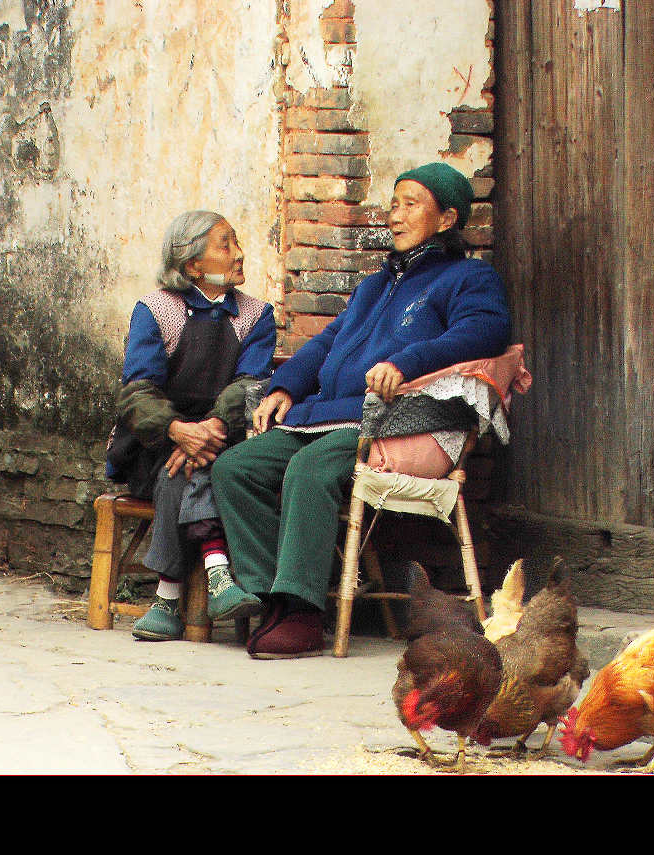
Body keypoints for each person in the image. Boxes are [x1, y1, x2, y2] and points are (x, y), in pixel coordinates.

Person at [211, 162, 511, 659]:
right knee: (237, 467)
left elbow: (484, 332)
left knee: (311, 469)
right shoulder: (376, 284)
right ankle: (269, 599)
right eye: (394, 204)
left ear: (447, 218)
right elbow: (330, 340)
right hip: (327, 411)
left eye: (411, 204)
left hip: (390, 421)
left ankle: (304, 612)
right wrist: (286, 385)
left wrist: (404, 361)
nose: (395, 216)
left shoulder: (470, 278)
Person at [106, 210, 276, 641]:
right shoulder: (156, 309)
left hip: (222, 438)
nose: (239, 254)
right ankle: (217, 574)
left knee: (194, 467)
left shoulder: (257, 315)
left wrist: (213, 426)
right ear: (193, 266)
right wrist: (178, 430)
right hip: (154, 444)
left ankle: (166, 599)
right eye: (226, 244)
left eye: (236, 242)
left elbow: (250, 384)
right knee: (179, 465)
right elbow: (137, 390)